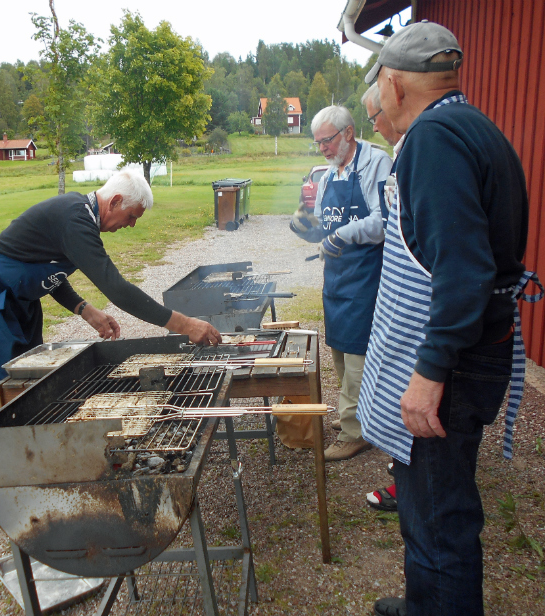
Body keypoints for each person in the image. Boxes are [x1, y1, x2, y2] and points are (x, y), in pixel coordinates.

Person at [357, 21, 540, 616]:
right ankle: (423, 604)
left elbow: (463, 272)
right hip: (475, 356)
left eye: (381, 86)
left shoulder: (434, 140)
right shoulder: (475, 127)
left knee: (442, 521)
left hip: (453, 370)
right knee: (426, 508)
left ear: (395, 83)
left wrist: (429, 372)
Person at [0, 169, 222, 419]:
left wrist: (84, 309)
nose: (131, 225)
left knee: (27, 374)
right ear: (115, 201)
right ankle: (0, 449)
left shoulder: (81, 217)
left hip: (19, 295)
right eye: (132, 216)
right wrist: (184, 325)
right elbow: (118, 289)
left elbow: (46, 270)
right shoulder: (75, 220)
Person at [290, 105, 392, 461]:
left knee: (359, 357)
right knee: (340, 353)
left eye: (327, 141)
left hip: (366, 276)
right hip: (336, 278)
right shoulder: (331, 174)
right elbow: (323, 224)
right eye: (318, 144)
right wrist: (307, 229)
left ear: (348, 133)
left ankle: (356, 432)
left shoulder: (377, 163)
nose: (323, 149)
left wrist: (344, 235)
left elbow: (385, 221)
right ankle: (355, 415)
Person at [360, 83, 404, 512]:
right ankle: (405, 470)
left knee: (410, 396)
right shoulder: (409, 149)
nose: (376, 126)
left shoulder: (397, 156)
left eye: (376, 117)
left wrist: (342, 234)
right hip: (383, 290)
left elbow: (380, 225)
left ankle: (414, 484)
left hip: (413, 312)